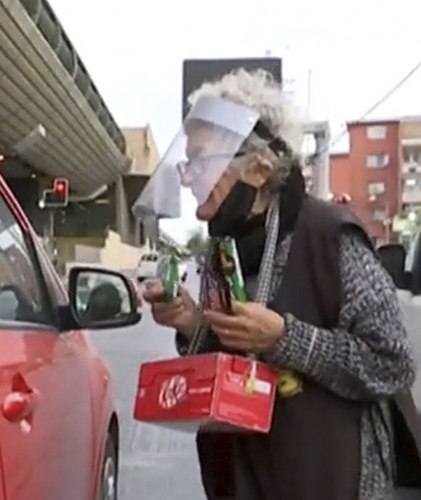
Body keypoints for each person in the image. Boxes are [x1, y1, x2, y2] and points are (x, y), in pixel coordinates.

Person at [133, 68, 418, 500]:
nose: (188, 176)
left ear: (259, 169)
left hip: (335, 482)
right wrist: (192, 322)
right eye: (186, 162)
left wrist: (285, 337)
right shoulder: (221, 249)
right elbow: (232, 363)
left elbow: (392, 363)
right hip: (246, 478)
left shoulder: (329, 235)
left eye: (201, 161)